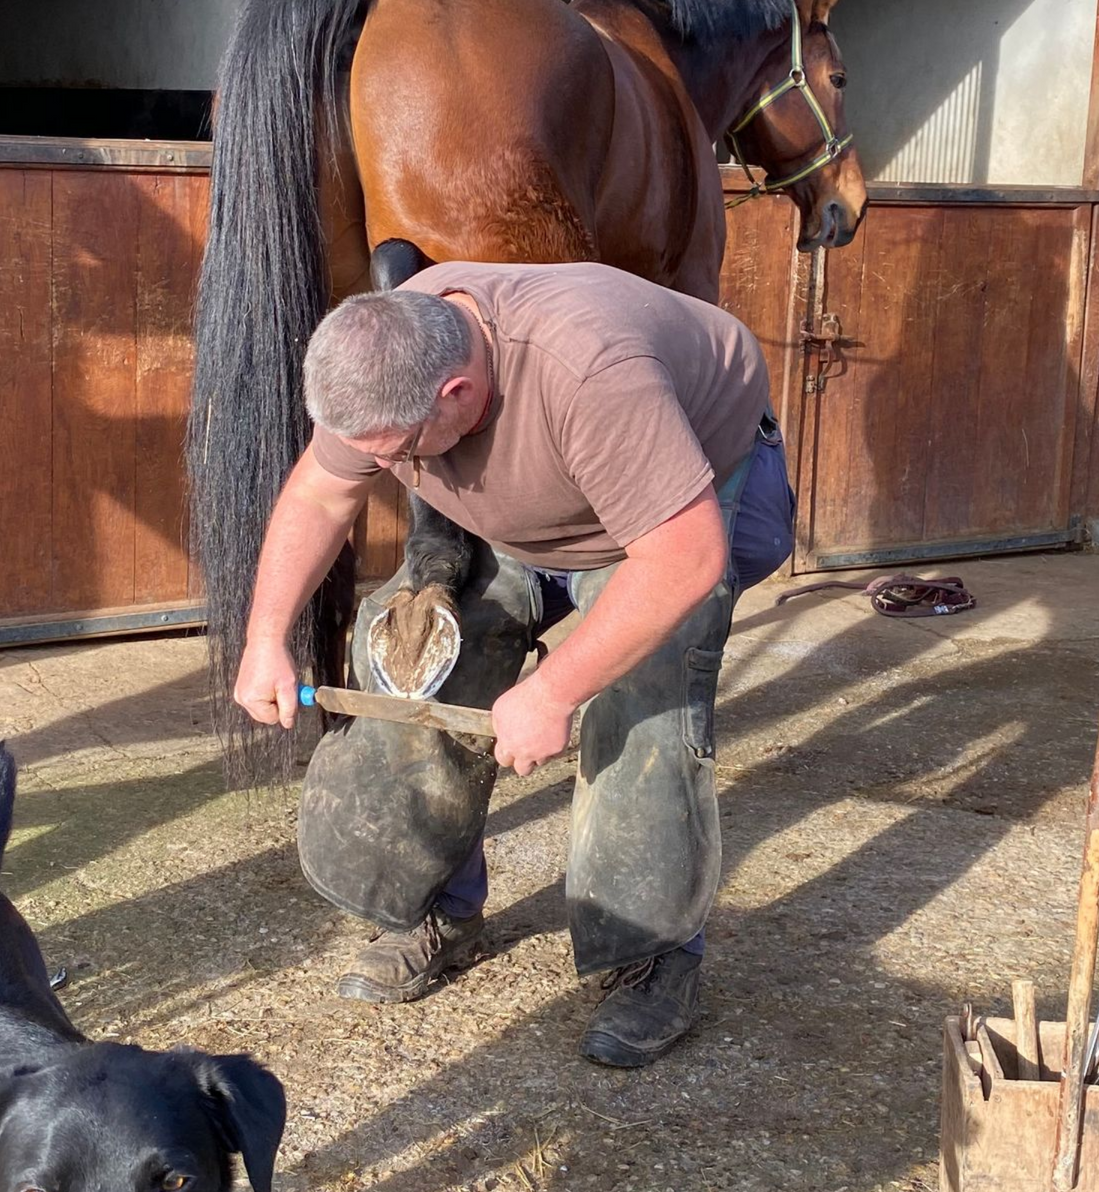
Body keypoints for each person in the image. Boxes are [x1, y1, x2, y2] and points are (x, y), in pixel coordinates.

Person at [232, 260, 795, 1068]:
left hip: (672, 512)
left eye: (397, 454)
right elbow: (323, 493)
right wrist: (265, 637)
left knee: (644, 698)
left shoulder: (592, 371)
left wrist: (554, 689)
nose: (382, 465)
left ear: (457, 394)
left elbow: (682, 559)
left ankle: (651, 955)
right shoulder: (382, 354)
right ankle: (441, 908)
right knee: (415, 654)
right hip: (528, 511)